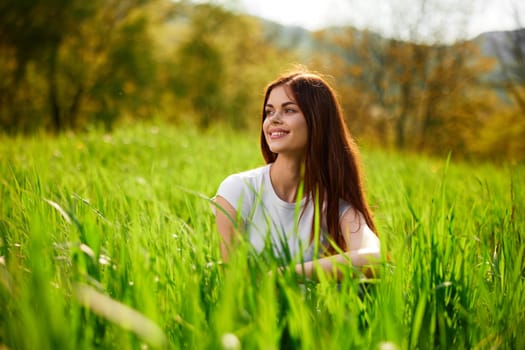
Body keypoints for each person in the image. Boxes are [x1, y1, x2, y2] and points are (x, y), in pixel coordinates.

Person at [214, 69, 380, 280]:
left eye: (289, 110)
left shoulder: (336, 207)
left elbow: (376, 258)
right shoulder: (238, 190)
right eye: (269, 111)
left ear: (317, 120)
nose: (273, 120)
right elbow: (232, 282)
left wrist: (282, 276)